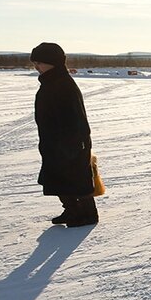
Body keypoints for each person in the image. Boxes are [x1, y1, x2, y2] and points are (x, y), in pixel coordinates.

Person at [31, 42, 98, 227]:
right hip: (54, 141)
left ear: (53, 62)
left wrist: (73, 143)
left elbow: (75, 118)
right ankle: (71, 210)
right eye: (34, 63)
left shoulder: (63, 84)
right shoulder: (50, 81)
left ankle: (88, 214)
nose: (36, 67)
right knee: (56, 176)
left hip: (70, 142)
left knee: (77, 177)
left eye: (39, 62)